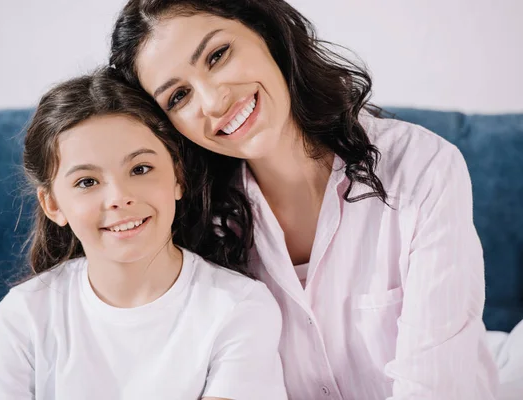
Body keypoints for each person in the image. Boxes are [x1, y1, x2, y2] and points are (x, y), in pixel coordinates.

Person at [109, 0, 500, 399]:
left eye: (218, 55)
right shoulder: (194, 226)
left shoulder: (422, 167)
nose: (213, 102)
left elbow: (434, 389)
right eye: (178, 96)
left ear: (267, 33)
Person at [0, 68, 287, 400]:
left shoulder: (239, 308)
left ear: (178, 177)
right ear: (53, 205)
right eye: (87, 182)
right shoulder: (23, 315)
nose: (119, 197)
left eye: (140, 169)